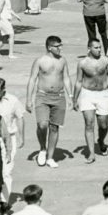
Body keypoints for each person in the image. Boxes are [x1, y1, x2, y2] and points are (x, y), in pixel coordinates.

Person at [26, 35, 72, 168]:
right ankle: (42, 148)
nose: (60, 48)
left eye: (60, 45)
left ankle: (50, 157)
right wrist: (28, 99)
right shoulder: (40, 61)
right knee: (42, 125)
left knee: (54, 127)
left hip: (59, 96)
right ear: (49, 47)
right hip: (42, 96)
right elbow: (32, 80)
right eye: (57, 46)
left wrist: (71, 96)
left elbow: (67, 78)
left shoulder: (63, 61)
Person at [73, 39, 108, 163]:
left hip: (103, 94)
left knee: (103, 125)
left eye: (99, 48)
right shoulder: (82, 63)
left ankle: (101, 141)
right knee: (89, 123)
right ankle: (91, 153)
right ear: (89, 48)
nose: (99, 50)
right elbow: (78, 82)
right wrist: (74, 99)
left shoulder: (106, 61)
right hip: (87, 94)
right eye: (96, 48)